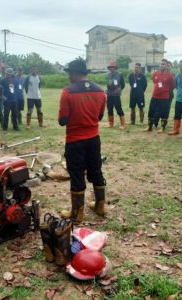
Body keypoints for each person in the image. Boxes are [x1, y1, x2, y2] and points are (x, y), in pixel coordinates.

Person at [58, 58, 106, 225]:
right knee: (96, 170)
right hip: (94, 139)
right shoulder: (100, 91)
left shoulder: (68, 92)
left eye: (69, 73)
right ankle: (100, 206)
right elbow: (100, 116)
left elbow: (62, 120)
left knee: (77, 174)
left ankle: (77, 214)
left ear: (74, 73)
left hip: (75, 141)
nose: (68, 76)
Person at [145, 59, 175, 133]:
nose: (162, 65)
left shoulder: (170, 75)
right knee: (151, 111)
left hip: (164, 97)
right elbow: (154, 82)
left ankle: (162, 127)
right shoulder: (155, 73)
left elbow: (173, 86)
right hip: (154, 96)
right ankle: (149, 126)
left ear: (167, 66)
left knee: (164, 112)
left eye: (163, 64)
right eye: (161, 64)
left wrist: (165, 90)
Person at [105, 60, 126, 129]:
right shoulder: (108, 75)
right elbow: (107, 84)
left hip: (116, 95)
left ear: (115, 67)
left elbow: (123, 85)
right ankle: (111, 124)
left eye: (113, 67)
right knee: (109, 109)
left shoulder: (119, 74)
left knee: (118, 109)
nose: (111, 68)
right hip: (109, 94)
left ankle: (122, 124)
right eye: (110, 67)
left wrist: (118, 90)